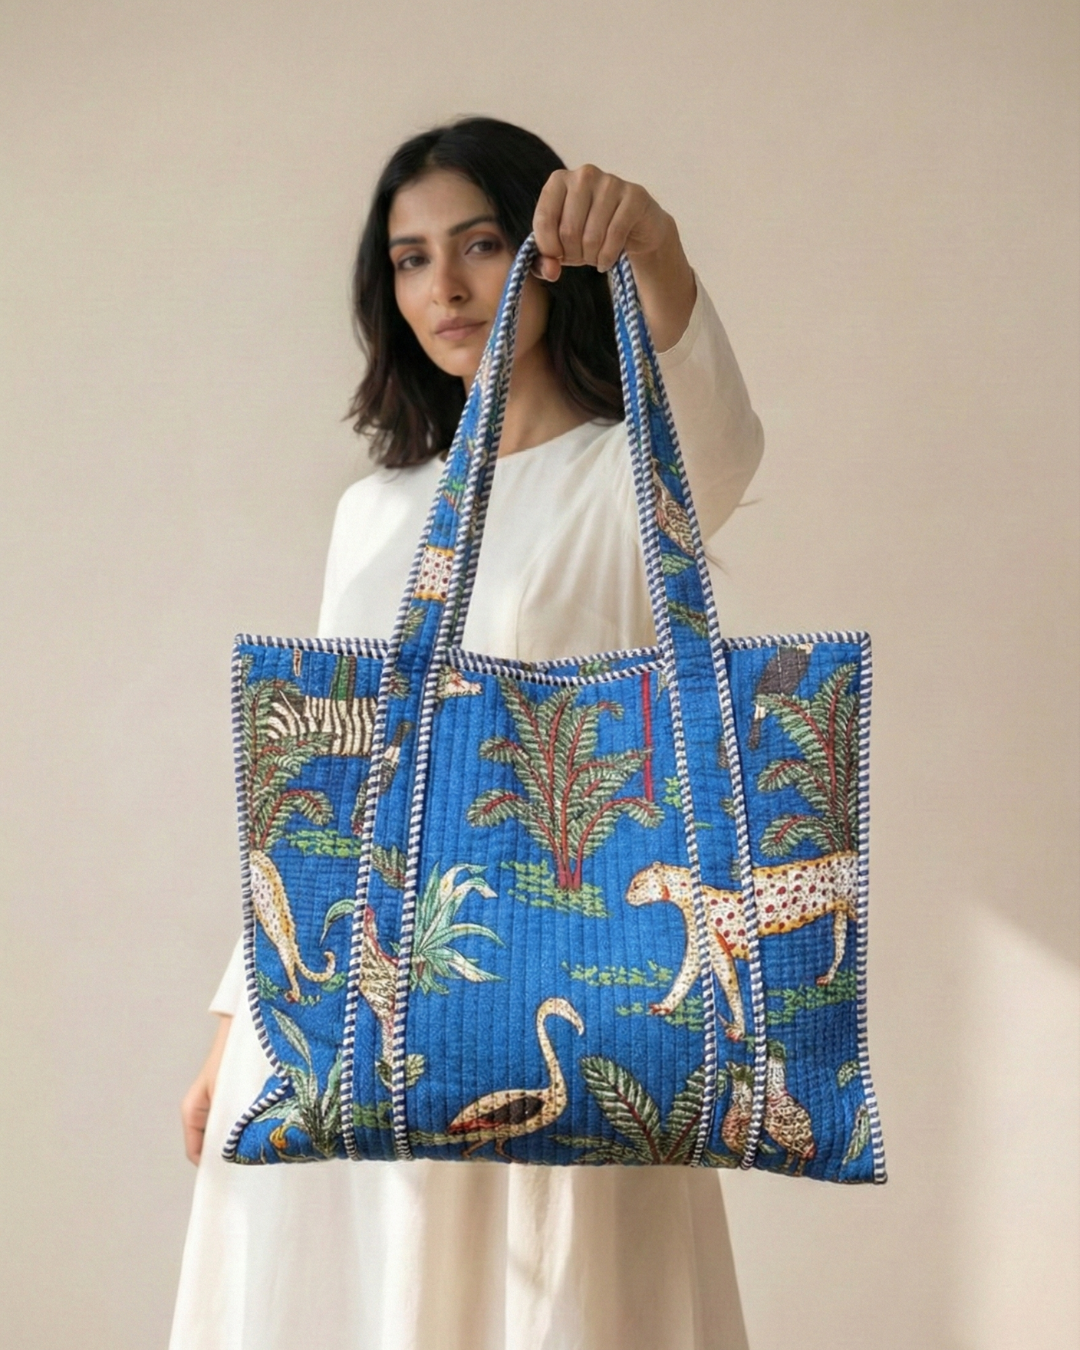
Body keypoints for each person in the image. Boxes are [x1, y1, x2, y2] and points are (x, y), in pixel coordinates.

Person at [172, 116, 763, 1350]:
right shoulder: (375, 510)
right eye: (410, 258)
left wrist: (653, 247)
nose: (443, 286)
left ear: (549, 261)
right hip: (351, 1012)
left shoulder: (624, 476)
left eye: (481, 244)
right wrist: (237, 1026)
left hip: (557, 987)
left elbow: (723, 434)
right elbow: (330, 788)